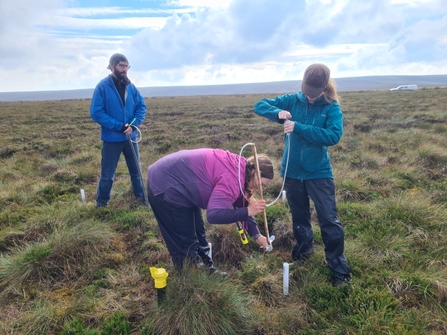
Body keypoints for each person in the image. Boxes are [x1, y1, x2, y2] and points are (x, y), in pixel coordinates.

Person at [253, 63, 351, 286]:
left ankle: (339, 269)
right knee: (299, 216)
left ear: (324, 87)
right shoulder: (292, 100)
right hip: (292, 172)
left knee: (329, 219)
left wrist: (298, 127)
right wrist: (277, 113)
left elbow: (333, 136)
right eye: (306, 91)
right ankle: (304, 253)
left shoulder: (331, 107)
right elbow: (259, 105)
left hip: (319, 173)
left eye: (313, 93)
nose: (309, 96)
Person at [147, 148, 274, 273]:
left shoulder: (242, 169)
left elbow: (241, 203)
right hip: (165, 185)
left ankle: (207, 271)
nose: (260, 188)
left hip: (183, 184)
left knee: (199, 234)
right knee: (185, 243)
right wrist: (247, 211)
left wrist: (257, 235)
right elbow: (214, 215)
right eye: (262, 185)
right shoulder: (232, 179)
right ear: (257, 174)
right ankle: (190, 282)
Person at [90, 53, 147, 207]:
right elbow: (96, 112)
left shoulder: (131, 86)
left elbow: (141, 107)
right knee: (107, 175)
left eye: (126, 66)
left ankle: (141, 200)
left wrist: (133, 125)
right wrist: (119, 126)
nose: (124, 69)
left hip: (131, 139)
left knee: (136, 172)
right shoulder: (102, 87)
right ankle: (101, 204)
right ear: (112, 66)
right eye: (121, 65)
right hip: (111, 140)